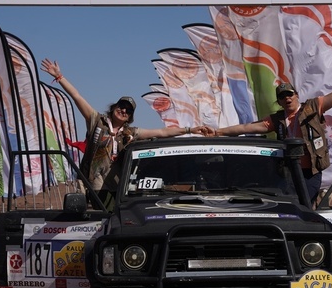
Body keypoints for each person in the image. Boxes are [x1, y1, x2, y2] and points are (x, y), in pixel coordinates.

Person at [41, 58, 208, 208]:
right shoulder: (96, 121)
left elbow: (162, 132)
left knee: (117, 213)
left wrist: (190, 129)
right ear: (114, 107)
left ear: (130, 117)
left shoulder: (130, 133)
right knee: (105, 211)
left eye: (128, 110)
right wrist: (59, 77)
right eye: (121, 106)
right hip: (95, 181)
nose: (123, 111)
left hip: (119, 184)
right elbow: (77, 96)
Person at [211, 64, 332, 205]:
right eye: (282, 96)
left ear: (296, 95)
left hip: (311, 172)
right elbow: (246, 128)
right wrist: (218, 132)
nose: (287, 98)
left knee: (304, 202)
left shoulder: (313, 107)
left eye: (289, 94)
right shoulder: (277, 119)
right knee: (289, 204)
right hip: (289, 172)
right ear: (279, 102)